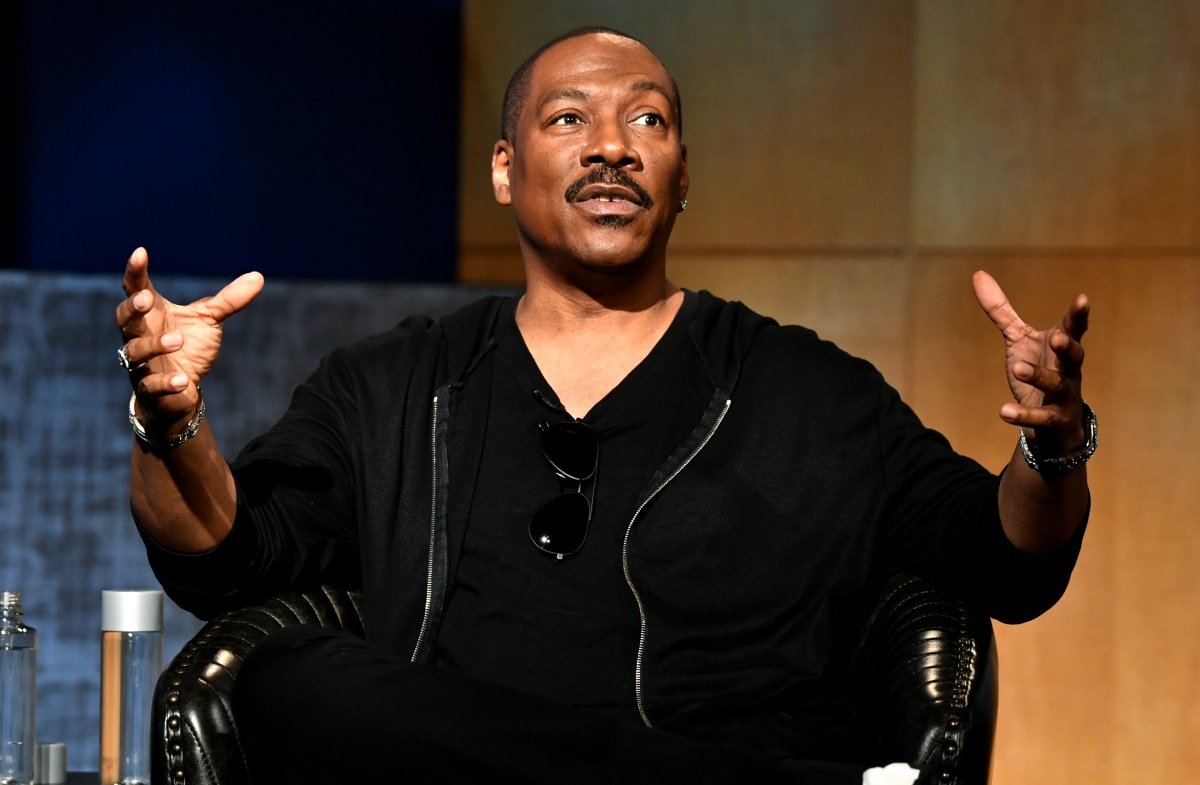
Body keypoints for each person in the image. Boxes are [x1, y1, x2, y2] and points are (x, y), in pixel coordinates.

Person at [114, 27, 1093, 785]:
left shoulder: (810, 388)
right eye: (569, 118)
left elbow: (1001, 560)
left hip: (721, 729)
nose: (613, 147)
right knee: (285, 681)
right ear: (506, 168)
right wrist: (170, 423)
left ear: (681, 178)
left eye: (649, 120)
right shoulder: (395, 381)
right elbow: (226, 559)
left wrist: (1050, 450)